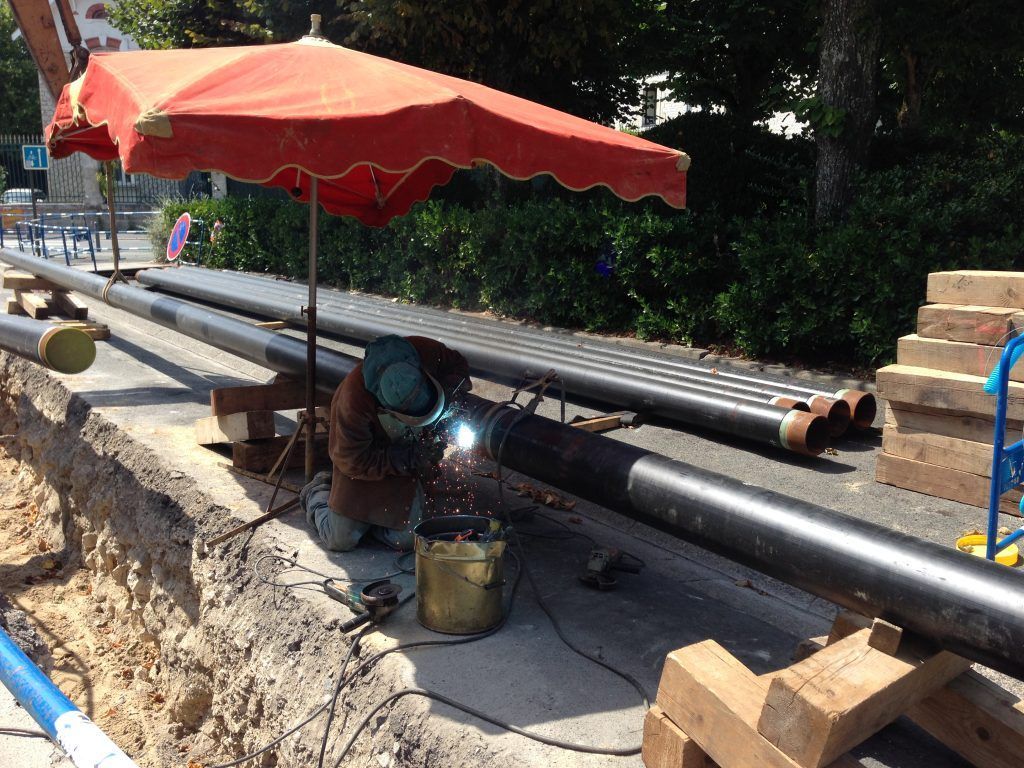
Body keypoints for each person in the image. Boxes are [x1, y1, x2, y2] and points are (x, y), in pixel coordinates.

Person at [299, 334, 471, 551]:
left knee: (409, 540)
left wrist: (450, 394)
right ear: (390, 409)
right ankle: (318, 489)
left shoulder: (423, 350)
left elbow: (458, 366)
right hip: (367, 467)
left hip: (403, 465)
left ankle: (371, 524)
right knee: (341, 540)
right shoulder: (352, 400)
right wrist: (406, 457)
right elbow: (353, 460)